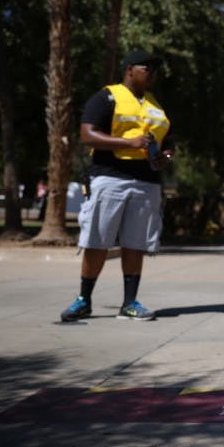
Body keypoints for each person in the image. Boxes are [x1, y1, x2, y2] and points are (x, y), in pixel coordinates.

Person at [60, 50, 175, 323]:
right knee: (97, 240)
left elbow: (170, 140)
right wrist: (128, 144)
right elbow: (87, 134)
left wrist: (166, 156)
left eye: (154, 68)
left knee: (135, 243)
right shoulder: (106, 97)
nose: (152, 72)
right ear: (129, 69)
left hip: (147, 182)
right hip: (110, 178)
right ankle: (83, 300)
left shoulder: (155, 104)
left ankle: (130, 303)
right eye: (147, 67)